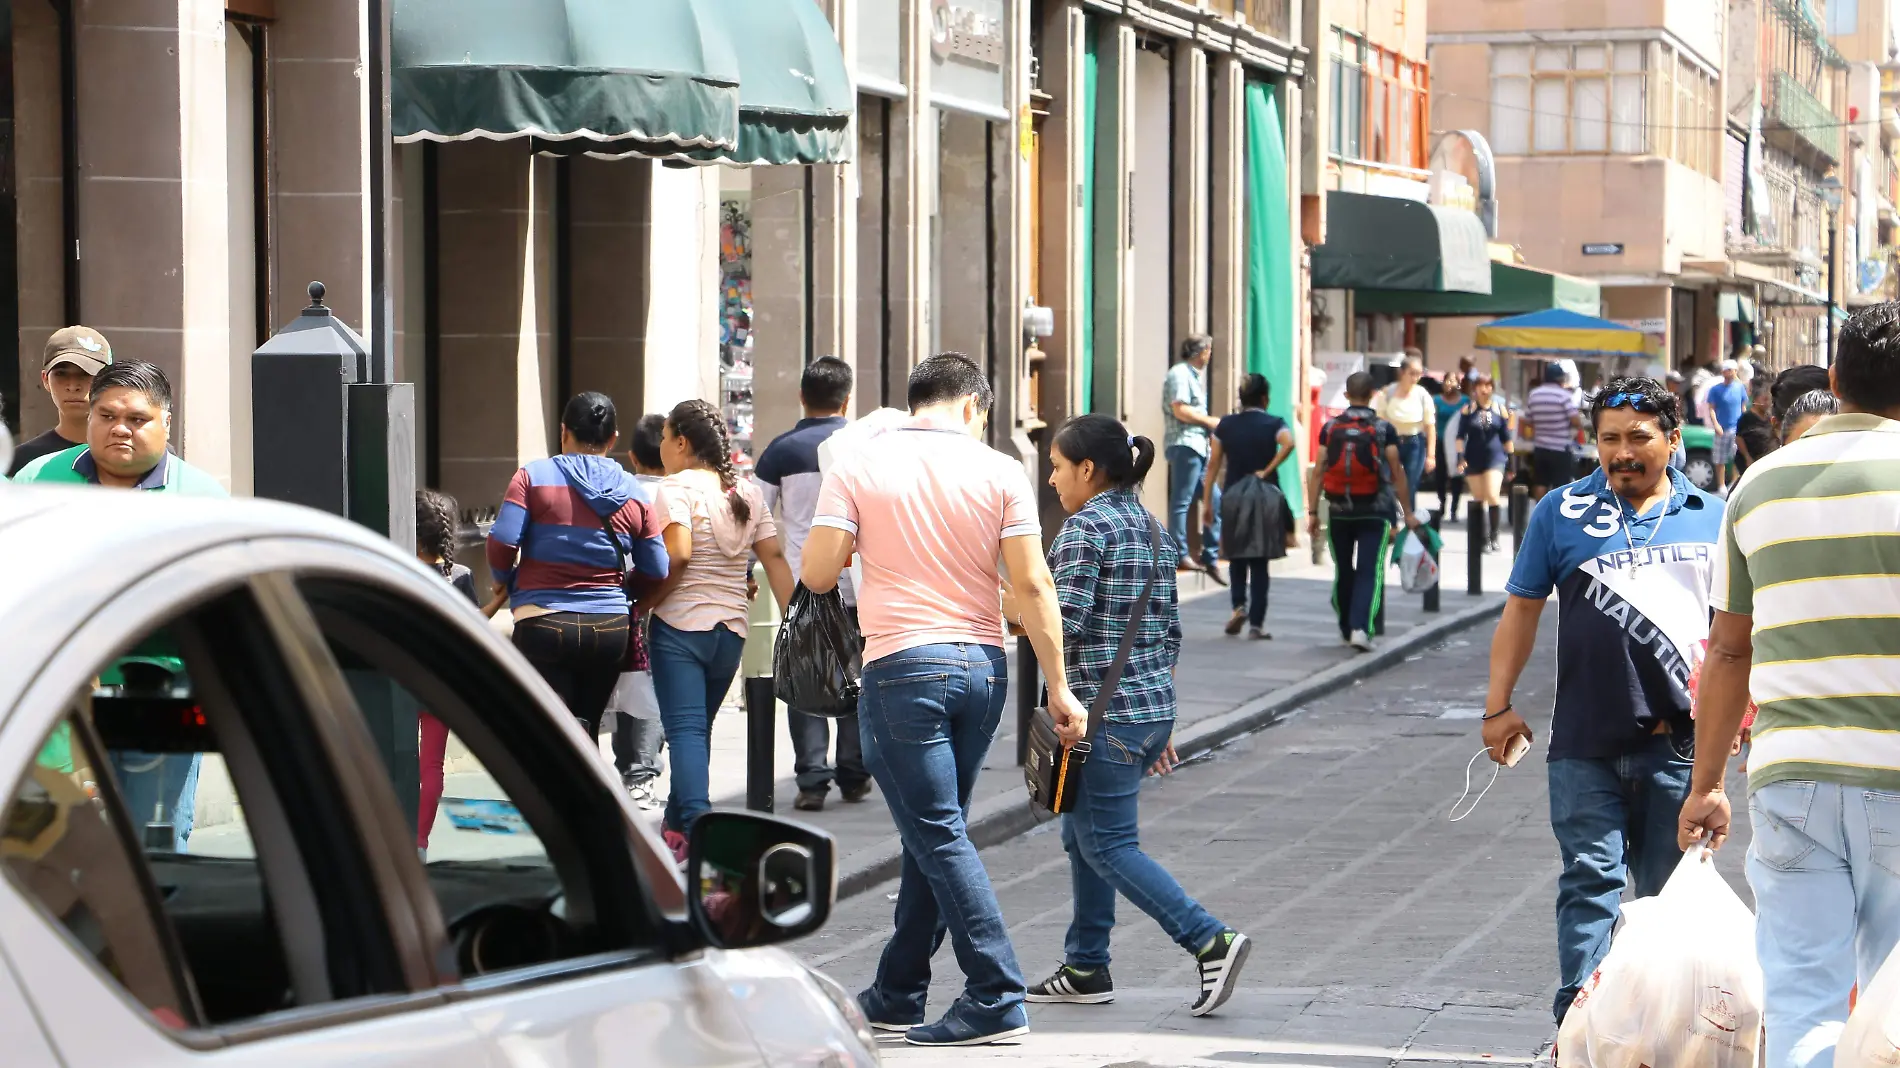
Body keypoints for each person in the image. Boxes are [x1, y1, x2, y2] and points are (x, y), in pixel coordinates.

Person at [801, 353, 1082, 1047]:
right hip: (983, 668)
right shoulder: (1001, 470)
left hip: (903, 667)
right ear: (975, 406)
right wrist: (1059, 684)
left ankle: (995, 991)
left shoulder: (859, 464)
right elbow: (1035, 585)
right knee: (935, 829)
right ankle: (899, 990)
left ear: (914, 399)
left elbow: (816, 571)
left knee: (936, 833)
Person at [1679, 305, 1900, 1068]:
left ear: (1835, 382)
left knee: (1804, 1000)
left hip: (1792, 777)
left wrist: (1706, 784)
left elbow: (1728, 653)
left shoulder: (1759, 488)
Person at [1481, 376, 1722, 1029]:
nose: (1622, 452)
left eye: (1638, 438)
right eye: (1610, 438)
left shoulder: (1714, 517)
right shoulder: (1560, 511)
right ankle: (1579, 1026)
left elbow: (1735, 639)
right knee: (1589, 884)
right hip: (1583, 743)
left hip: (1682, 747)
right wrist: (1497, 705)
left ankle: (1669, 1029)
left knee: (1673, 898)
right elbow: (1522, 610)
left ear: (1672, 440)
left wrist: (1731, 741)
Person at [1026, 413, 1252, 1016]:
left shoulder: (1083, 531)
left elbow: (1060, 626)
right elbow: (1169, 634)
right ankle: (1086, 964)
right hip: (1148, 712)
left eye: (1056, 466)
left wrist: (1012, 595)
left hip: (1102, 717)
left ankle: (1209, 939)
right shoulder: (1154, 529)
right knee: (1083, 837)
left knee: (1109, 845)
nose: (1051, 479)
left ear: (1088, 469)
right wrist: (1160, 722)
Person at [15, 360, 226, 850]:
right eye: (106, 416)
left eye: (136, 419)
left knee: (153, 848)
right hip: (53, 702)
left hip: (157, 700)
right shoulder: (36, 481)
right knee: (48, 851)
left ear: (166, 423)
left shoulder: (201, 501)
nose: (120, 429)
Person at [645, 399, 794, 843]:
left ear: (682, 442)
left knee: (686, 732)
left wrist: (642, 606)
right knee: (695, 732)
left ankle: (698, 830)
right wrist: (796, 622)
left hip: (680, 629)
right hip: (731, 634)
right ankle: (676, 832)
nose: (662, 448)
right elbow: (777, 559)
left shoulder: (676, 489)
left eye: (665, 438)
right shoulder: (746, 494)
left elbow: (679, 557)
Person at [486, 393, 668, 745]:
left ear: (563, 432)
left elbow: (504, 540)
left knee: (549, 735)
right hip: (610, 629)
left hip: (543, 622)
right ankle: (588, 796)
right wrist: (625, 593)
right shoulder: (634, 491)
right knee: (587, 731)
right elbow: (658, 567)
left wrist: (501, 580)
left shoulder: (533, 477)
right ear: (612, 439)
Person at [755, 356, 872, 813]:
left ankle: (811, 780)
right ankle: (855, 771)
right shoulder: (865, 449)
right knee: (860, 676)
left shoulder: (780, 451)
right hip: (861, 584)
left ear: (801, 396)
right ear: (847, 400)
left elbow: (758, 520)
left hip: (808, 587)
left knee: (807, 677)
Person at [1306, 372, 1423, 653]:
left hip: (1338, 509)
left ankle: (1346, 626)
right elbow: (1397, 472)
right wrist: (1407, 511)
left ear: (1346, 395)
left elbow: (1319, 470)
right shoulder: (1383, 429)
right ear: (1373, 394)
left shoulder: (1331, 427)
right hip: (1376, 510)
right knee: (1370, 570)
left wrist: (1312, 512)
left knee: (1343, 570)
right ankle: (1361, 629)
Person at [414, 489, 504, 854]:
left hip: (400, 677)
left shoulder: (399, 567)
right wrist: (499, 599)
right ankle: (419, 841)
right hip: (441, 685)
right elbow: (474, 626)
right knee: (432, 764)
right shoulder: (461, 576)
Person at [1202, 373, 1295, 639]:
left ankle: (1238, 606)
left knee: (1236, 556)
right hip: (1265, 498)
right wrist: (1267, 470)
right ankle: (1256, 625)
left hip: (1233, 496)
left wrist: (1208, 502)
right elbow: (1289, 443)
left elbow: (1213, 465)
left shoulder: (1225, 426)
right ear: (1265, 398)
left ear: (1241, 399)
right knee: (1260, 561)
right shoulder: (1274, 422)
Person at [609, 412, 670, 809]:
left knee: (625, 688)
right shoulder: (678, 493)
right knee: (650, 688)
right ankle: (642, 774)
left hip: (622, 599)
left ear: (632, 455)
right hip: (665, 600)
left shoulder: (620, 490)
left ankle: (627, 767)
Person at [7, 326, 113, 477]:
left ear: (109, 379)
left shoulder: (129, 454)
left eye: (86, 373)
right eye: (61, 374)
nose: (72, 386)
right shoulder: (19, 462)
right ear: (45, 380)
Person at [1162, 334, 1226, 584]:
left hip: (1197, 447)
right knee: (1183, 500)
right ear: (1202, 351)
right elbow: (1180, 408)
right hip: (1185, 444)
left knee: (1214, 499)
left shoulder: (1192, 375)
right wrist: (1210, 421)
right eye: (1208, 350)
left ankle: (1210, 556)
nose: (1209, 355)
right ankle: (1178, 553)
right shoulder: (1180, 373)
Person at [1449, 372, 1513, 552]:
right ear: (1475, 389)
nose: (1484, 389)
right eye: (1480, 386)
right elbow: (1460, 436)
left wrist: (1511, 463)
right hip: (1473, 458)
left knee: (1493, 495)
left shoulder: (1499, 410)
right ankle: (1482, 537)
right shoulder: (1468, 410)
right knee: (1478, 499)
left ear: (1492, 388)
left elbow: (1506, 438)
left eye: (1488, 385)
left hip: (1495, 458)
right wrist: (1459, 457)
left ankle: (1494, 536)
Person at [1380, 351, 1436, 514]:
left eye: (1419, 374)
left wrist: (1431, 455)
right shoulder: (1388, 392)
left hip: (1414, 443)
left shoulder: (1422, 395)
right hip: (1391, 441)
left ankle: (1409, 521)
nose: (1415, 377)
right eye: (1412, 373)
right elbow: (1380, 420)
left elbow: (1430, 426)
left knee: (1410, 483)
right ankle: (1390, 522)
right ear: (1402, 372)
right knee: (1387, 482)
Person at [1524, 362, 1583, 500]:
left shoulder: (1534, 395)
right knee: (1560, 485)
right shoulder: (1564, 396)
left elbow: (1528, 420)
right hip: (1560, 448)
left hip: (1540, 447)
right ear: (1560, 379)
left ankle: (1540, 511)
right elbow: (1575, 421)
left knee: (1540, 482)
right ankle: (1557, 515)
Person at [1706, 359, 1747, 494]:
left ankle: (1734, 483)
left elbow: (1743, 406)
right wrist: (1716, 424)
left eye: (1730, 370)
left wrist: (1745, 423)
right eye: (1726, 370)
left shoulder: (1739, 387)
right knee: (1720, 458)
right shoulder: (1715, 389)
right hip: (1722, 428)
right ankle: (1721, 485)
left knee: (1737, 456)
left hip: (1736, 428)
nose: (1728, 373)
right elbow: (1711, 408)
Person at [1434, 373, 1466, 520]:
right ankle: (1442, 503)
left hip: (1458, 443)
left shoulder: (1465, 401)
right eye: (1446, 380)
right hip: (1440, 442)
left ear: (1458, 383)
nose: (1448, 384)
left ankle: (1454, 509)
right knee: (1440, 475)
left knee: (1456, 476)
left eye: (1452, 381)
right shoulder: (1437, 400)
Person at [1734, 377, 1777, 474]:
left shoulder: (1769, 417)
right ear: (1756, 399)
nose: (1767, 403)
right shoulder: (1747, 418)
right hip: (1749, 461)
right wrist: (1747, 457)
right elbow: (1739, 439)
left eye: (1769, 400)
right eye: (1764, 400)